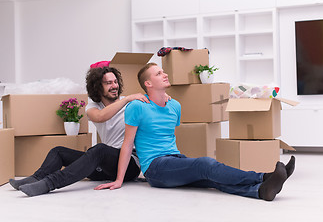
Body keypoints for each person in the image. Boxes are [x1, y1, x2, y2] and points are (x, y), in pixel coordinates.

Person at [95, 63, 296, 201]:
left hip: (173, 159)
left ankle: (261, 191)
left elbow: (169, 137)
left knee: (212, 179)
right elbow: (128, 143)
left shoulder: (175, 105)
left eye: (163, 72)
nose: (164, 75)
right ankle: (263, 176)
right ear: (148, 84)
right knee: (205, 163)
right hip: (154, 169)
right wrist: (119, 179)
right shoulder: (136, 107)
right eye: (158, 74)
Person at [9, 66, 150, 197]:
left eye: (115, 82)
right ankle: (36, 178)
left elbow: (153, 106)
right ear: (97, 87)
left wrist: (161, 98)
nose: (114, 86)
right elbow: (100, 117)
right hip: (105, 165)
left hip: (129, 165)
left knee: (99, 149)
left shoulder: (131, 104)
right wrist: (126, 100)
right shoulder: (93, 107)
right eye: (108, 83)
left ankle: (49, 184)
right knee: (58, 151)